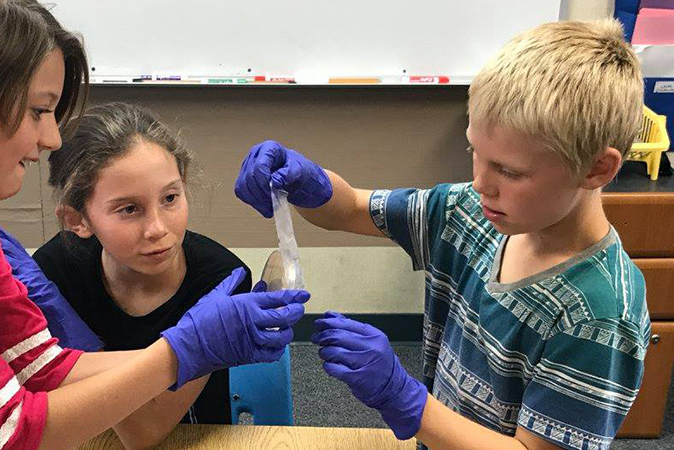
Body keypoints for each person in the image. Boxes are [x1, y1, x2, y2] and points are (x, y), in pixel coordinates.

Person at [0, 2, 308, 450]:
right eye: (38, 111)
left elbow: (45, 366)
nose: (49, 137)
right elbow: (7, 432)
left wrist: (203, 347)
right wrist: (182, 353)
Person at [234, 19, 649, 450]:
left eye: (508, 170)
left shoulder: (599, 316)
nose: (481, 183)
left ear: (596, 168)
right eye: (475, 152)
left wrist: (404, 398)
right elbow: (353, 209)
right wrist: (309, 184)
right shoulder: (467, 212)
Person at [0, 102, 251, 447]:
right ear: (77, 220)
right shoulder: (55, 270)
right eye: (128, 209)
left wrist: (79, 344)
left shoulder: (220, 279)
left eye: (170, 198)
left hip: (189, 440)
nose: (157, 229)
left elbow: (145, 433)